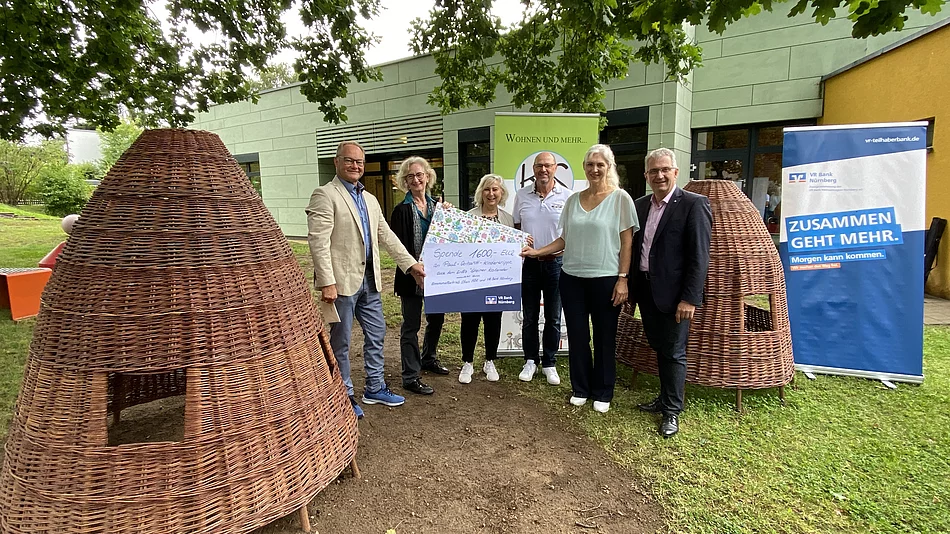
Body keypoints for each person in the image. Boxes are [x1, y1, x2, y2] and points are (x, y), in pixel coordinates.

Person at [306, 141, 425, 419]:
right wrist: (327, 281)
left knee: (377, 333)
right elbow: (318, 242)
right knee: (342, 341)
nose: (355, 166)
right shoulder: (325, 194)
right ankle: (343, 395)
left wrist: (410, 265)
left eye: (359, 161)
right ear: (337, 162)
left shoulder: (370, 199)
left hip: (370, 281)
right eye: (349, 160)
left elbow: (387, 236)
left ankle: (375, 387)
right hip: (342, 282)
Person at [522, 144, 638, 413]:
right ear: (584, 168)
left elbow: (627, 243)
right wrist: (537, 252)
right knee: (577, 335)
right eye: (590, 165)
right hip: (571, 278)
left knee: (604, 337)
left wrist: (623, 278)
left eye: (600, 165)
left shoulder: (620, 199)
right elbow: (564, 239)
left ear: (609, 167)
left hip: (606, 279)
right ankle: (581, 388)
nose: (594, 169)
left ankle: (603, 391)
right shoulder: (573, 200)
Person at [631, 147, 712, 438]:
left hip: (676, 295)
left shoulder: (693, 204)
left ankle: (672, 411)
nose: (660, 175)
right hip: (646, 290)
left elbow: (699, 257)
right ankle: (664, 398)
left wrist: (690, 298)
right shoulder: (640, 205)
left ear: (676, 172)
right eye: (654, 171)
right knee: (660, 346)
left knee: (675, 351)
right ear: (646, 175)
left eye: (665, 169)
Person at [390, 156, 450, 396]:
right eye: (410, 176)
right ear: (405, 181)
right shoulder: (401, 210)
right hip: (411, 277)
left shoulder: (439, 208)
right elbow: (397, 248)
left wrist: (449, 216)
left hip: (437, 276)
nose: (416, 180)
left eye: (419, 175)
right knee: (411, 325)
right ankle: (410, 375)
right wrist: (413, 269)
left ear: (428, 177)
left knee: (436, 320)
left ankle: (429, 358)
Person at [512, 151, 572, 386]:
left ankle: (549, 362)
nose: (543, 170)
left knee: (553, 317)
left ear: (556, 168)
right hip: (529, 265)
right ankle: (530, 360)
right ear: (533, 169)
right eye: (539, 166)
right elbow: (516, 227)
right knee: (529, 317)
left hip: (556, 264)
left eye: (548, 165)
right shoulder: (521, 195)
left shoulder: (567, 196)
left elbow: (569, 232)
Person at [459, 174, 516, 384]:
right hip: (472, 280)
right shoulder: (468, 217)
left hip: (496, 281)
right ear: (480, 192)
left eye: (495, 189)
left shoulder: (508, 219)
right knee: (469, 321)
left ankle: (490, 360)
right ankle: (467, 362)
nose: (491, 194)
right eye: (487, 189)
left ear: (502, 193)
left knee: (493, 321)